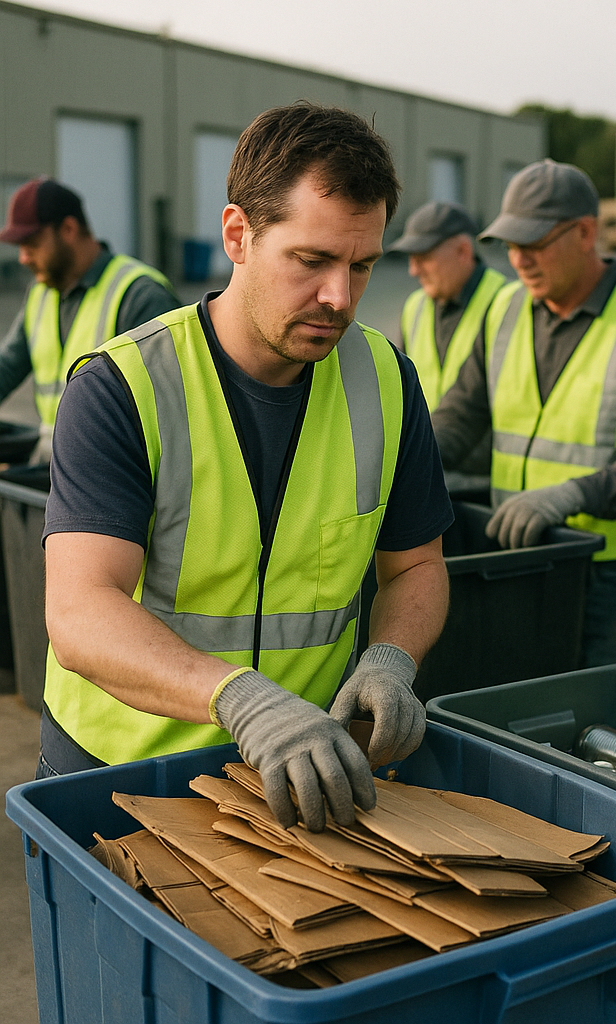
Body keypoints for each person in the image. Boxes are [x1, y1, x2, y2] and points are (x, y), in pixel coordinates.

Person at [40, 102, 453, 834]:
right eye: (312, 260)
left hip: (300, 778)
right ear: (238, 234)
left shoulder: (386, 381)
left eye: (362, 266)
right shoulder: (123, 387)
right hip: (120, 778)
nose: (340, 297)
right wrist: (243, 699)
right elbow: (78, 612)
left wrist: (391, 658)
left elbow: (416, 565)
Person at [431, 159, 616, 666]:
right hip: (524, 558)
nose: (518, 261)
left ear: (586, 233)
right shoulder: (504, 310)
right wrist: (407, 474)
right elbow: (460, 415)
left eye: (534, 245)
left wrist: (570, 496)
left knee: (604, 725)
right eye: (510, 246)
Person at [0, 177, 179, 459]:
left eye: (31, 243)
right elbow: (8, 367)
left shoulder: (139, 296)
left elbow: (169, 411)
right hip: (58, 455)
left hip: (112, 466)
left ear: (68, 229)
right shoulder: (41, 294)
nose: (22, 258)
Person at [390, 201, 505, 487]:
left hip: (486, 482)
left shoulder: (506, 303)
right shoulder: (415, 307)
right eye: (410, 258)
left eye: (423, 257)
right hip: (431, 468)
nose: (413, 270)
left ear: (463, 251)